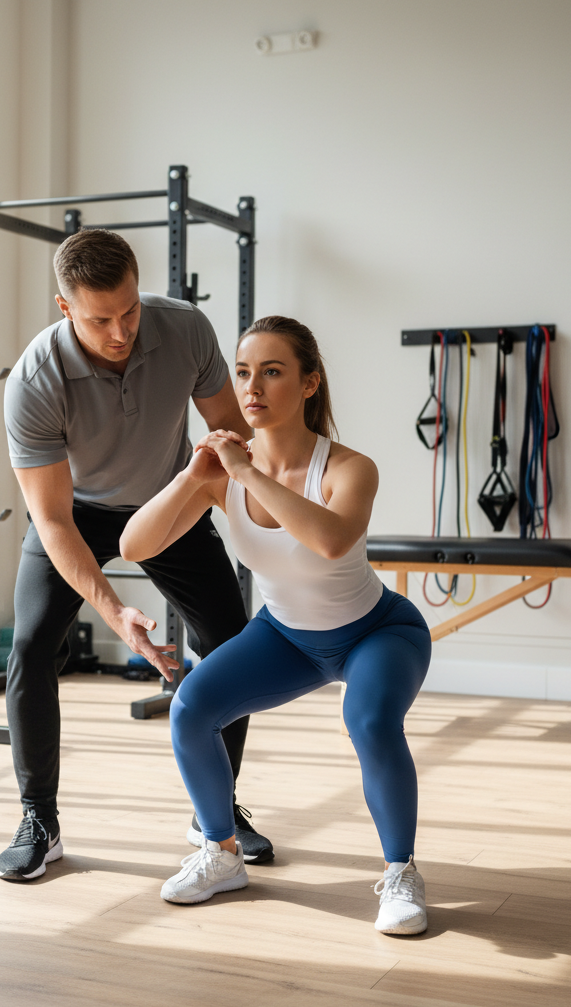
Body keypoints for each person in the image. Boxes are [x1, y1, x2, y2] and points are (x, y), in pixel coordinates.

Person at [119, 316, 433, 935]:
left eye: (272, 371)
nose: (251, 387)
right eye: (242, 373)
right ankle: (221, 853)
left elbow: (331, 541)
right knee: (191, 708)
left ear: (309, 382)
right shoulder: (221, 474)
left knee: (370, 721)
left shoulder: (349, 468)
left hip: (377, 633)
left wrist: (245, 473)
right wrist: (191, 477)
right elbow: (133, 546)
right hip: (287, 636)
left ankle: (401, 874)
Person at [0, 229, 274, 882]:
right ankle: (39, 817)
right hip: (76, 513)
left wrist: (266, 524)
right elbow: (53, 519)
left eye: (129, 311)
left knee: (231, 641)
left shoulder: (185, 329)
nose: (121, 331)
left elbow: (231, 438)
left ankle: (215, 812)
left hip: (167, 501)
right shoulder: (34, 381)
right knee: (32, 647)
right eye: (100, 320)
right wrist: (116, 612)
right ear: (65, 308)